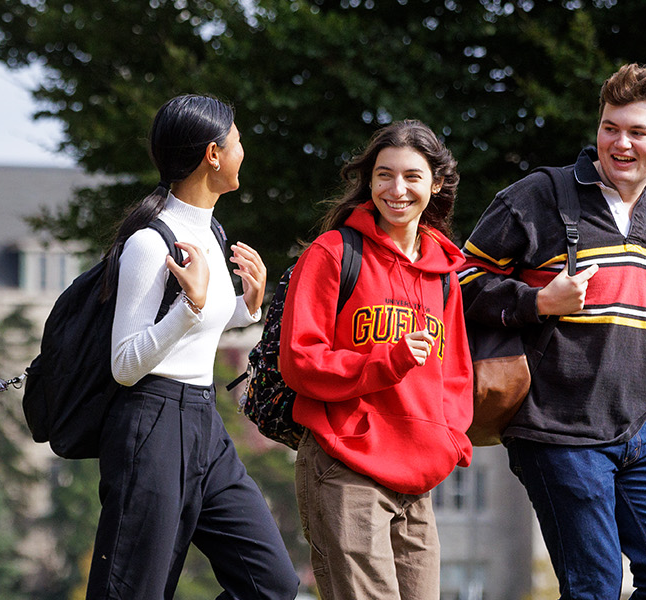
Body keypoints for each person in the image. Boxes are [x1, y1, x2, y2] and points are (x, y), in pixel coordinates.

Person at [458, 64, 646, 599]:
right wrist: (538, 301)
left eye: (638, 132)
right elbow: (460, 281)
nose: (620, 143)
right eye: (610, 127)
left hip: (643, 429)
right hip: (556, 430)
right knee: (593, 587)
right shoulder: (539, 196)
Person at [90, 93, 298, 600]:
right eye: (238, 140)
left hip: (203, 420)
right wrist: (191, 308)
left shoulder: (212, 231)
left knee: (272, 585)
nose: (244, 150)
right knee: (134, 591)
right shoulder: (149, 242)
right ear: (213, 154)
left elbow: (196, 331)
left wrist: (245, 308)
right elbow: (124, 364)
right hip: (150, 422)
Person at [278, 120, 473, 600]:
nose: (397, 189)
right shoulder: (332, 254)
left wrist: (450, 439)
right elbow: (300, 360)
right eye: (384, 175)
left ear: (437, 184)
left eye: (412, 176)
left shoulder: (445, 274)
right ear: (368, 181)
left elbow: (456, 373)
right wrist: (385, 362)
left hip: (418, 480)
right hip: (346, 467)